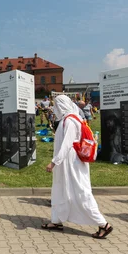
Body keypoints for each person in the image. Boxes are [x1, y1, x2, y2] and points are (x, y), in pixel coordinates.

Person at [43, 95, 113, 239]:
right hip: (65, 164)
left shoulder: (69, 121)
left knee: (80, 192)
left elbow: (67, 144)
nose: (54, 108)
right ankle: (56, 220)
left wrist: (54, 162)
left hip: (70, 164)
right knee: (60, 190)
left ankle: (103, 224)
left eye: (56, 105)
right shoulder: (68, 119)